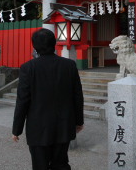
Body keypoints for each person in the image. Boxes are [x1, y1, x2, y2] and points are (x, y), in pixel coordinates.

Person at [12, 28, 84, 170]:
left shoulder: (28, 68)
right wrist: (78, 121)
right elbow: (77, 95)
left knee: (40, 165)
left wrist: (17, 129)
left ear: (35, 46)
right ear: (54, 43)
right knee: (61, 163)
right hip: (63, 124)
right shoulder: (69, 65)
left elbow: (23, 100)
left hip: (38, 127)